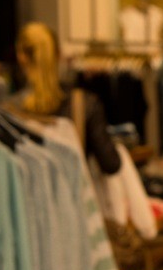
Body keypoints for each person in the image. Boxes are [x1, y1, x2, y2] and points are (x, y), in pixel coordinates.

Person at [15, 22, 121, 176]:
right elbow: (111, 164)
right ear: (59, 55)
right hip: (75, 189)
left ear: (21, 57)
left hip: (28, 191)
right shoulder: (85, 103)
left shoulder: (9, 109)